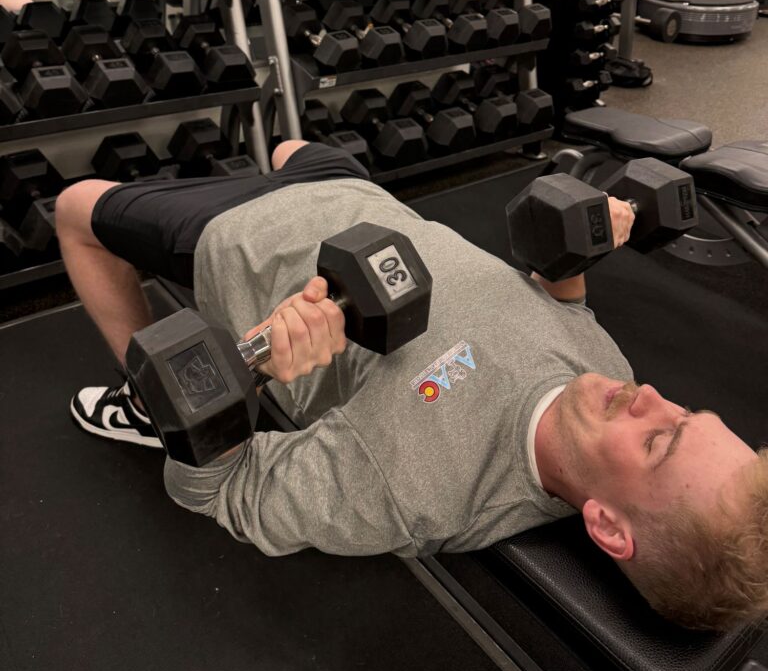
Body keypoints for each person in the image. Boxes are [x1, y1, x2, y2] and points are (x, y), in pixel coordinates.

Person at [56, 139, 768, 633]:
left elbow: (220, 492)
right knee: (285, 147)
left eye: (661, 441)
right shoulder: (615, 391)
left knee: (75, 209)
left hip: (241, 240)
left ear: (607, 525)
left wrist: (252, 362)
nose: (652, 398)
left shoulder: (408, 489)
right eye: (687, 412)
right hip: (357, 196)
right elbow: (562, 309)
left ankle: (142, 400)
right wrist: (573, 255)